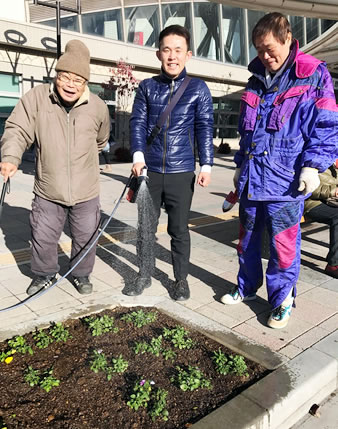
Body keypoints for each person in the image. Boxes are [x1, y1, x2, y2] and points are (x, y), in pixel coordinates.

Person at [221, 13, 338, 329]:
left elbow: (326, 125)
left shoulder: (313, 75)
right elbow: (247, 131)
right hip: (252, 178)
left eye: (270, 48)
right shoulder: (255, 78)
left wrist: (313, 167)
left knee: (283, 246)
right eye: (259, 50)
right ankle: (245, 287)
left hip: (286, 181)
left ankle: (282, 299)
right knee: (246, 241)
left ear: (288, 38)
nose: (265, 56)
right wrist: (239, 168)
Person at [0, 40, 110, 295]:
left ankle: (81, 275)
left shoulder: (98, 107)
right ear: (57, 75)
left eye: (78, 80)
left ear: (86, 83)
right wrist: (10, 157)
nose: (71, 84)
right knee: (43, 235)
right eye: (66, 77)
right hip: (48, 187)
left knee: (85, 237)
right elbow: (17, 129)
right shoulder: (37, 99)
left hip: (86, 191)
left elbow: (101, 140)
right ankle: (44, 274)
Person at [126, 25, 214, 300]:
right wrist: (138, 157)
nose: (172, 56)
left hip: (182, 170)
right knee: (145, 229)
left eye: (178, 50)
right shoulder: (147, 87)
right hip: (150, 171)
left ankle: (181, 280)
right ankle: (143, 275)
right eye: (167, 50)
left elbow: (204, 127)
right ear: (158, 53)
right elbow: (137, 123)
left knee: (179, 230)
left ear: (188, 55)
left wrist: (207, 164)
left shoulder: (199, 88)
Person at [304, 160, 338, 279]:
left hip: (331, 202)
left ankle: (334, 255)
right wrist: (333, 191)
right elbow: (308, 187)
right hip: (311, 203)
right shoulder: (317, 160)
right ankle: (333, 265)